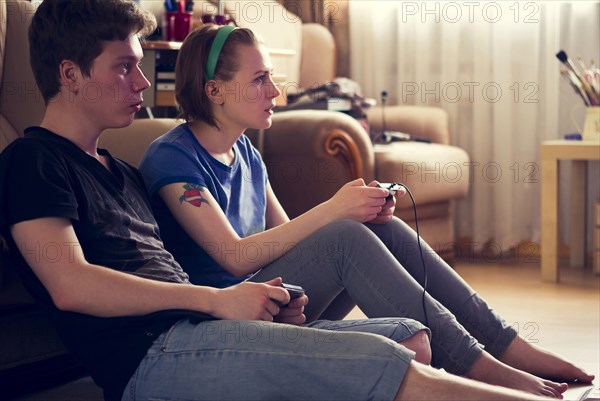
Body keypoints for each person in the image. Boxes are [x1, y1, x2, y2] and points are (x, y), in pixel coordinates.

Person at [0, 1, 572, 400]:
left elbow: (221, 260)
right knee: (382, 349)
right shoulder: (35, 161)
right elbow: (70, 284)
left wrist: (275, 299)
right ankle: (502, 380)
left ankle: (498, 345)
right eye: (126, 67)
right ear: (70, 75)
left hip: (204, 326)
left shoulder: (121, 173)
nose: (144, 84)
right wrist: (215, 301)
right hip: (159, 352)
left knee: (408, 336)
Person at [138, 24, 595, 399]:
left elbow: (288, 237)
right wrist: (335, 211)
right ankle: (481, 367)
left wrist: (355, 209)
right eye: (260, 79)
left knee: (380, 226)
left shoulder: (247, 154)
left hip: (281, 304)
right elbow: (235, 257)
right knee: (345, 236)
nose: (276, 91)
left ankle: (504, 345)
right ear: (214, 89)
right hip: (221, 321)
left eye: (271, 76)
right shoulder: (172, 158)